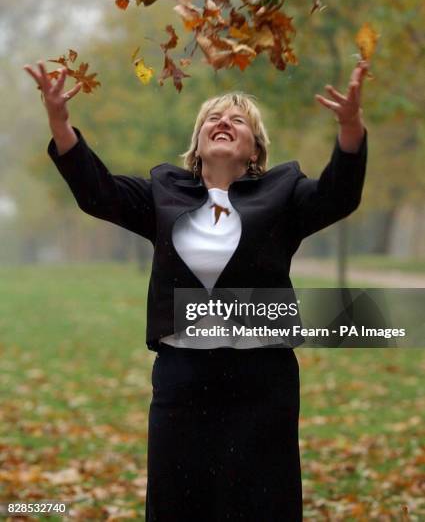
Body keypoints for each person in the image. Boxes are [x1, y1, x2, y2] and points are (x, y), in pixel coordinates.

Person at [24, 59, 369, 521]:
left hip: (262, 382)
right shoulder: (163, 192)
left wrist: (350, 130)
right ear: (198, 145)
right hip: (182, 381)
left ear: (254, 152)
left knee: (262, 507)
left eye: (238, 119)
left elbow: (337, 195)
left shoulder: (283, 193)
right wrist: (61, 125)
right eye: (213, 117)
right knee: (178, 507)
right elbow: (97, 192)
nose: (223, 121)